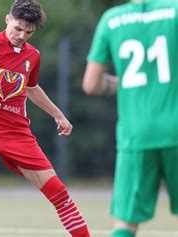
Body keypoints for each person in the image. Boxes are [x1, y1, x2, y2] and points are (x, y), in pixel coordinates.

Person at [0, 0, 90, 236]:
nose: (22, 35)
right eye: (18, 28)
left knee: (59, 193)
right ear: (7, 20)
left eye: (28, 32)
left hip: (17, 134)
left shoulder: (33, 55)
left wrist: (59, 115)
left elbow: (32, 88)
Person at [82, 0, 178, 236]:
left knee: (126, 222)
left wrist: (121, 84)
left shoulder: (111, 19)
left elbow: (91, 84)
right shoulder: (174, 10)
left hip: (135, 134)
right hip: (175, 129)